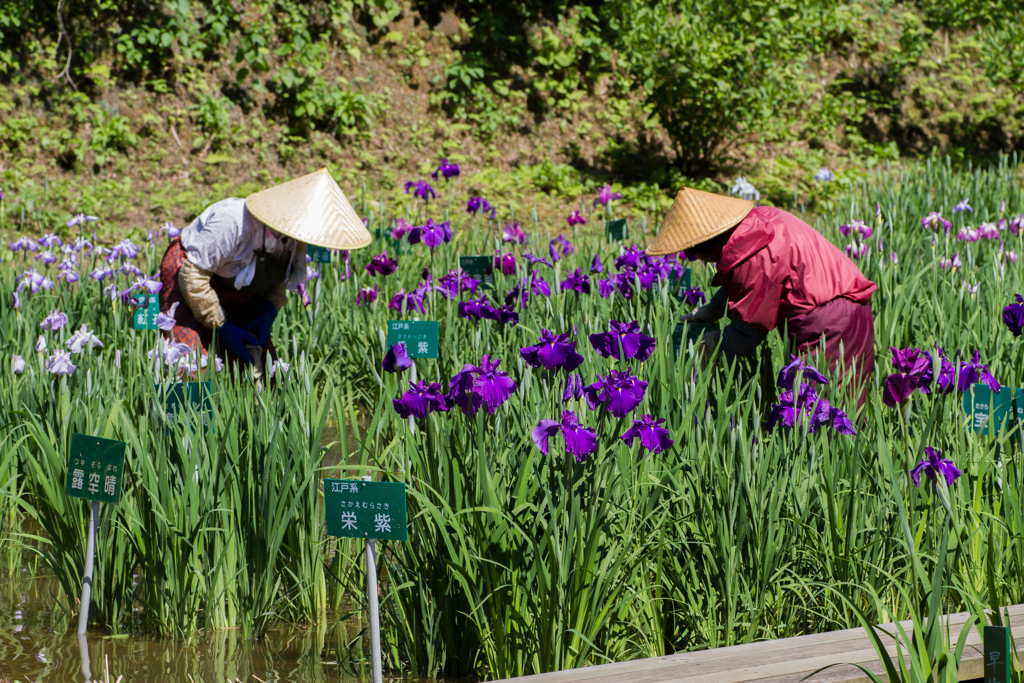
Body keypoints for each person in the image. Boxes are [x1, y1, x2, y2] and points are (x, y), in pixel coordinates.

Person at [646, 186, 876, 401]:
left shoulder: (754, 256)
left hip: (829, 326)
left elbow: (749, 332)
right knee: (844, 401)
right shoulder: (757, 222)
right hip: (849, 308)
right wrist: (715, 308)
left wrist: (714, 344)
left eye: (694, 253)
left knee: (817, 412)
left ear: (708, 244)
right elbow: (748, 280)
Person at [159, 168, 371, 367]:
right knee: (191, 361)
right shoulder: (234, 223)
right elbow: (194, 276)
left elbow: (277, 278)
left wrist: (267, 312)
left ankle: (242, 407)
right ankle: (183, 407)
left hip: (235, 283)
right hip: (190, 272)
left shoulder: (296, 238)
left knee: (261, 366)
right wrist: (222, 325)